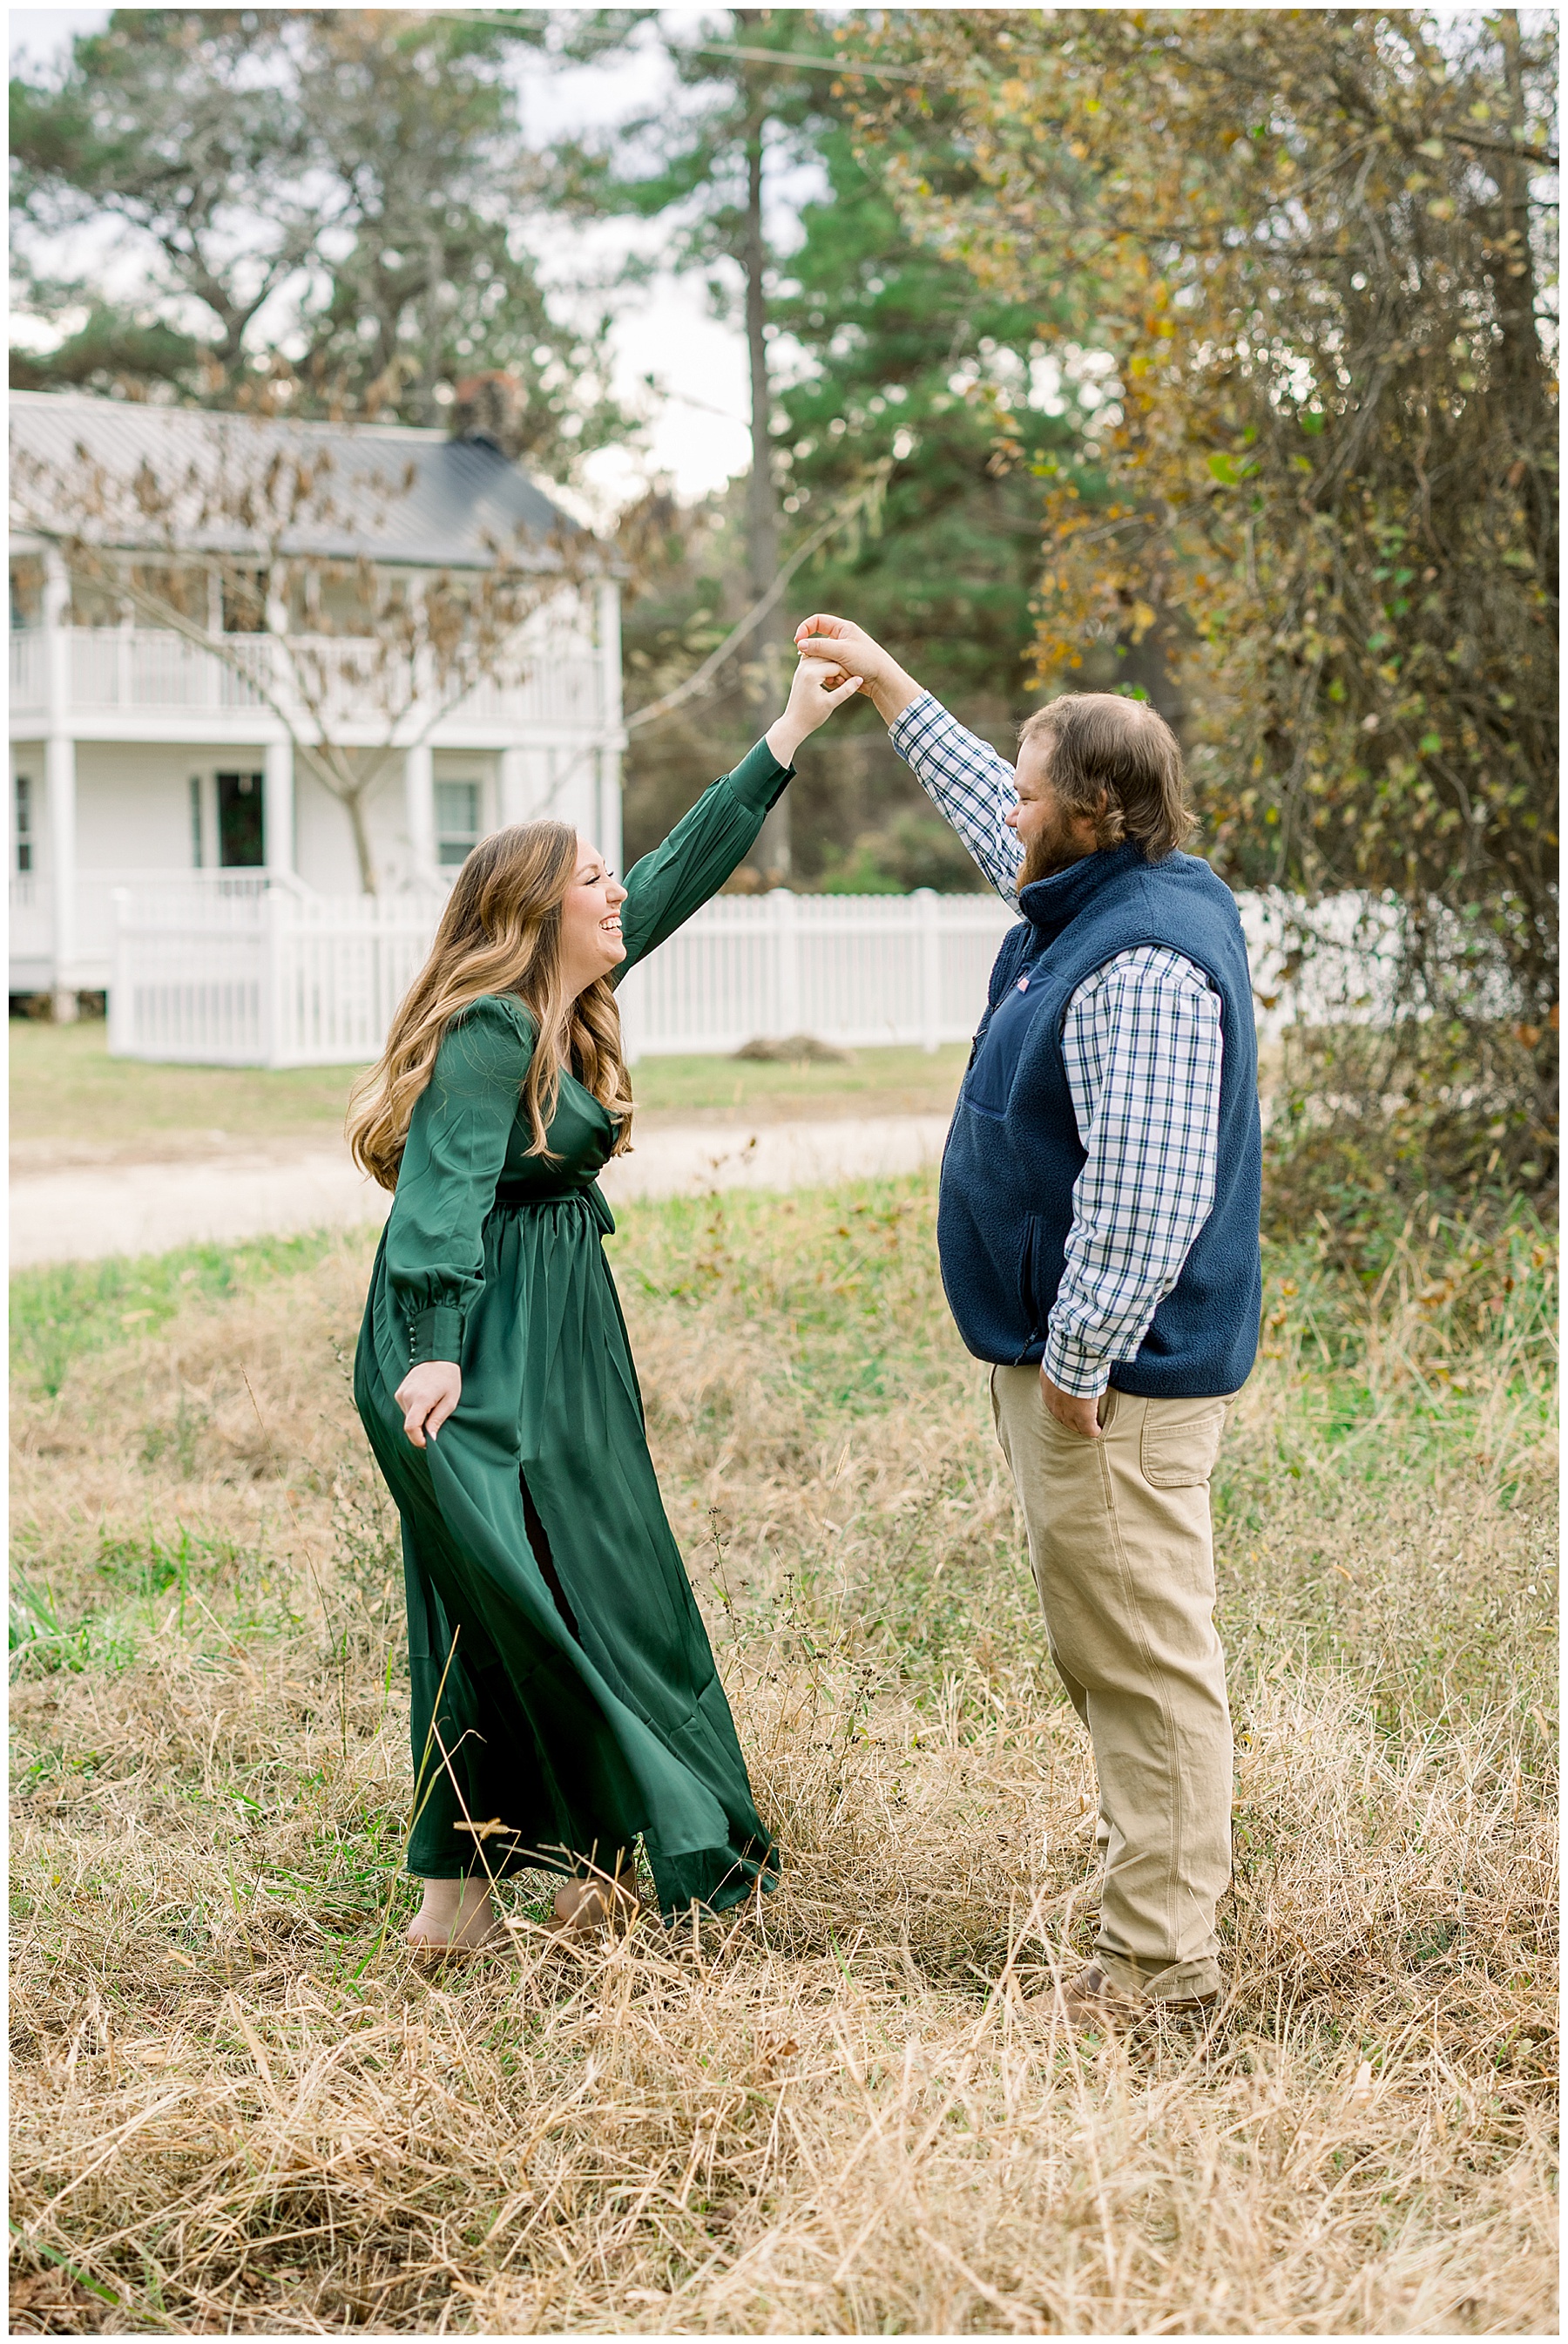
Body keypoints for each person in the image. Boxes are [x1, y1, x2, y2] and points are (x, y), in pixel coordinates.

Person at [348, 654, 862, 1955]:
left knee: (576, 1583)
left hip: (558, 1328)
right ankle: (554, 1861)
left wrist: (788, 732)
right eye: (591, 877)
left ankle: (517, 1876)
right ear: (534, 908)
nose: (619, 889)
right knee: (532, 1593)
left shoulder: (570, 1003)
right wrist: (431, 1350)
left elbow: (681, 864)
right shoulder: (486, 1031)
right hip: (471, 1347)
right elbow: (442, 1200)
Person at [794, 613, 1262, 2022]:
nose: (1006, 808)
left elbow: (1149, 1190)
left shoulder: (1147, 965)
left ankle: (1160, 1971)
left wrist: (1074, 1359)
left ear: (1092, 810)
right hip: (1085, 1370)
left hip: (1110, 1384)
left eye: (1025, 786)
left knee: (1143, 1658)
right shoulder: (1107, 893)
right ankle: (1150, 1908)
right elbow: (993, 829)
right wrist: (886, 689)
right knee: (1116, 1645)